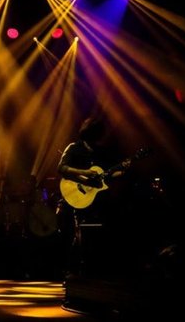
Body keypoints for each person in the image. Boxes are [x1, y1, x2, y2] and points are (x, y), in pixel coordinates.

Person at [56, 116, 131, 277]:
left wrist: (122, 170)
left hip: (93, 200)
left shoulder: (100, 152)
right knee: (72, 234)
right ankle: (70, 270)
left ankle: (94, 270)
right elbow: (61, 168)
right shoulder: (74, 147)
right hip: (73, 197)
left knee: (96, 233)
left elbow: (106, 176)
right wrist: (84, 173)